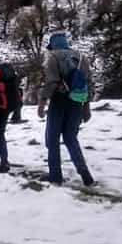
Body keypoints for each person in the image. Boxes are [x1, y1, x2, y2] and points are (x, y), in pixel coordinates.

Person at [38, 32, 95, 186]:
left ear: (53, 44)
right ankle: (86, 176)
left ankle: (55, 177)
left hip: (58, 102)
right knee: (71, 139)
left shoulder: (52, 57)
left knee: (52, 140)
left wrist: (42, 102)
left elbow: (51, 83)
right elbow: (89, 83)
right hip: (77, 102)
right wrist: (86, 106)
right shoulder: (81, 58)